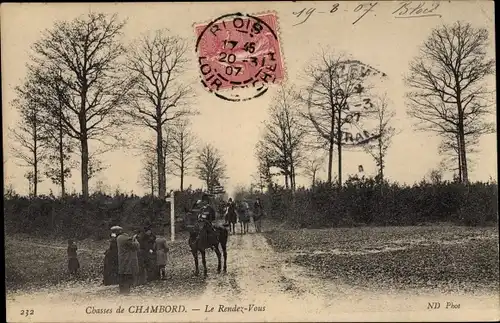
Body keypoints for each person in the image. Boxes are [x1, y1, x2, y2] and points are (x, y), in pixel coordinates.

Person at [116, 226, 140, 295]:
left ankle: (122, 291)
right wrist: (135, 240)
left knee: (122, 274)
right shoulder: (126, 239)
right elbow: (136, 246)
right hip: (127, 259)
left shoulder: (119, 238)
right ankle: (126, 291)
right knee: (127, 274)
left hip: (121, 258)